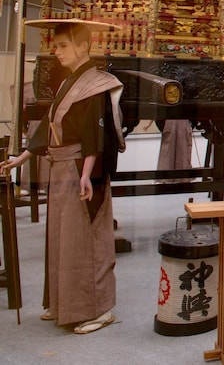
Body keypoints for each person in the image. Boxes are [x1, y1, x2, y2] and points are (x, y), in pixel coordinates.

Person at [1, 19, 124, 334]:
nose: (56, 52)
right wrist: (20, 159)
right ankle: (63, 303)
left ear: (83, 46)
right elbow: (48, 131)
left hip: (81, 170)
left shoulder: (95, 84)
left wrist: (86, 175)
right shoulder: (69, 82)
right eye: (55, 46)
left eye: (63, 45)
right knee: (64, 240)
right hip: (62, 169)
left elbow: (94, 135)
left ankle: (99, 309)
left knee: (86, 239)